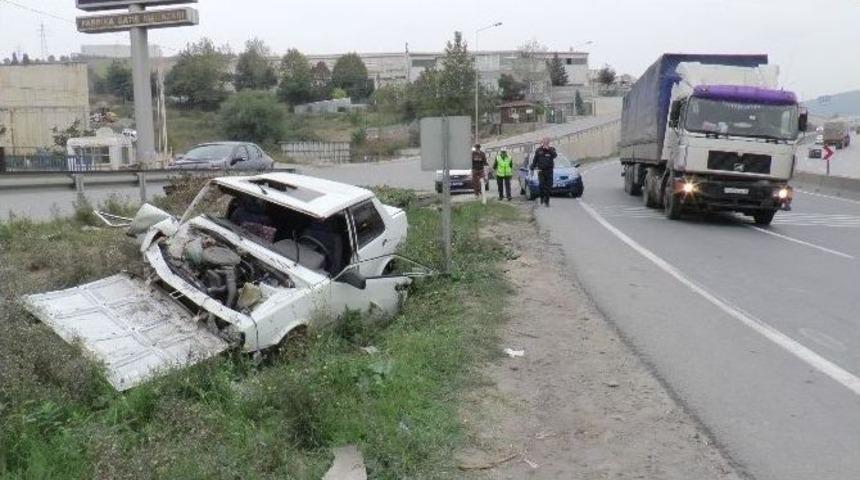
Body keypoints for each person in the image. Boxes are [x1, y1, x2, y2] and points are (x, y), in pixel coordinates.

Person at [530, 138, 557, 206]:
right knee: (541, 185)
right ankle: (542, 197)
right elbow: (535, 160)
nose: (545, 143)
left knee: (549, 186)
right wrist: (532, 167)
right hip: (541, 170)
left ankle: (547, 201)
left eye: (547, 142)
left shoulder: (551, 149)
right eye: (544, 142)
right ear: (542, 142)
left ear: (549, 142)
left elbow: (555, 156)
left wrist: (549, 149)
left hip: (549, 171)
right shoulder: (538, 150)